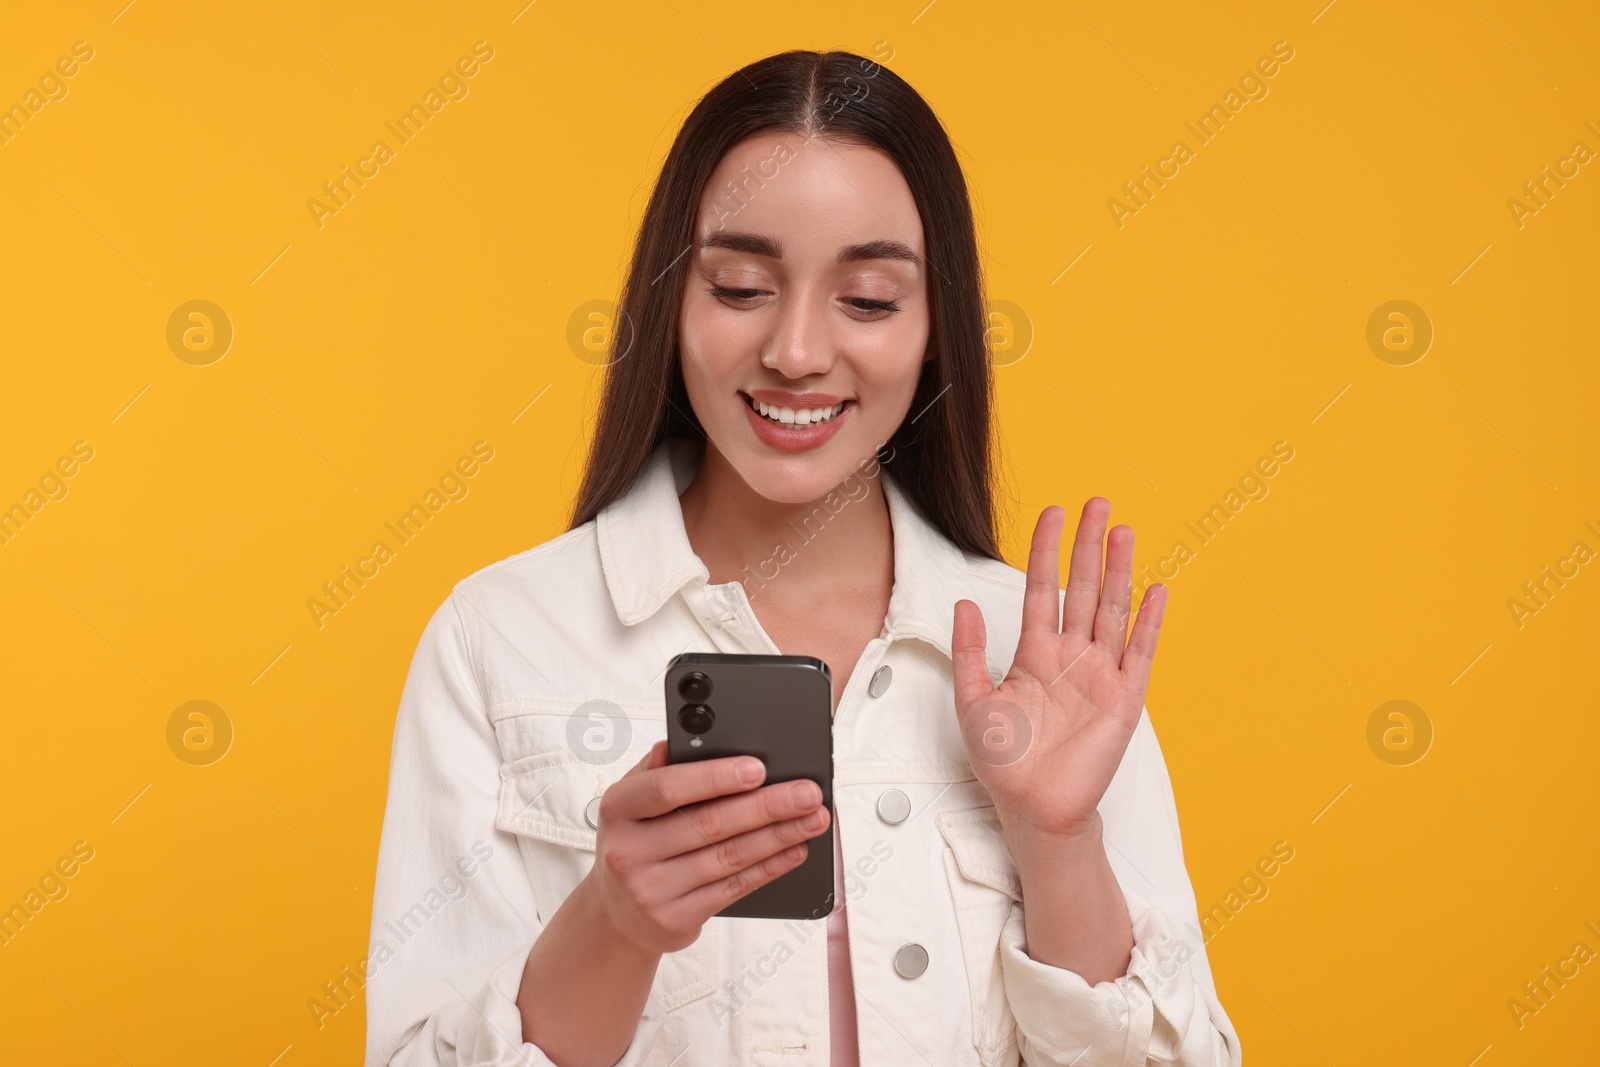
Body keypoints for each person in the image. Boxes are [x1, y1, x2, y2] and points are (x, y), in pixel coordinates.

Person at [366, 49, 1242, 1067]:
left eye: (867, 300)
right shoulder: (498, 639)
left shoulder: (1040, 658)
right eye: (740, 285)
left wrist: (1057, 843)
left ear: (932, 333)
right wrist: (614, 919)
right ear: (670, 303)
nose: (793, 348)